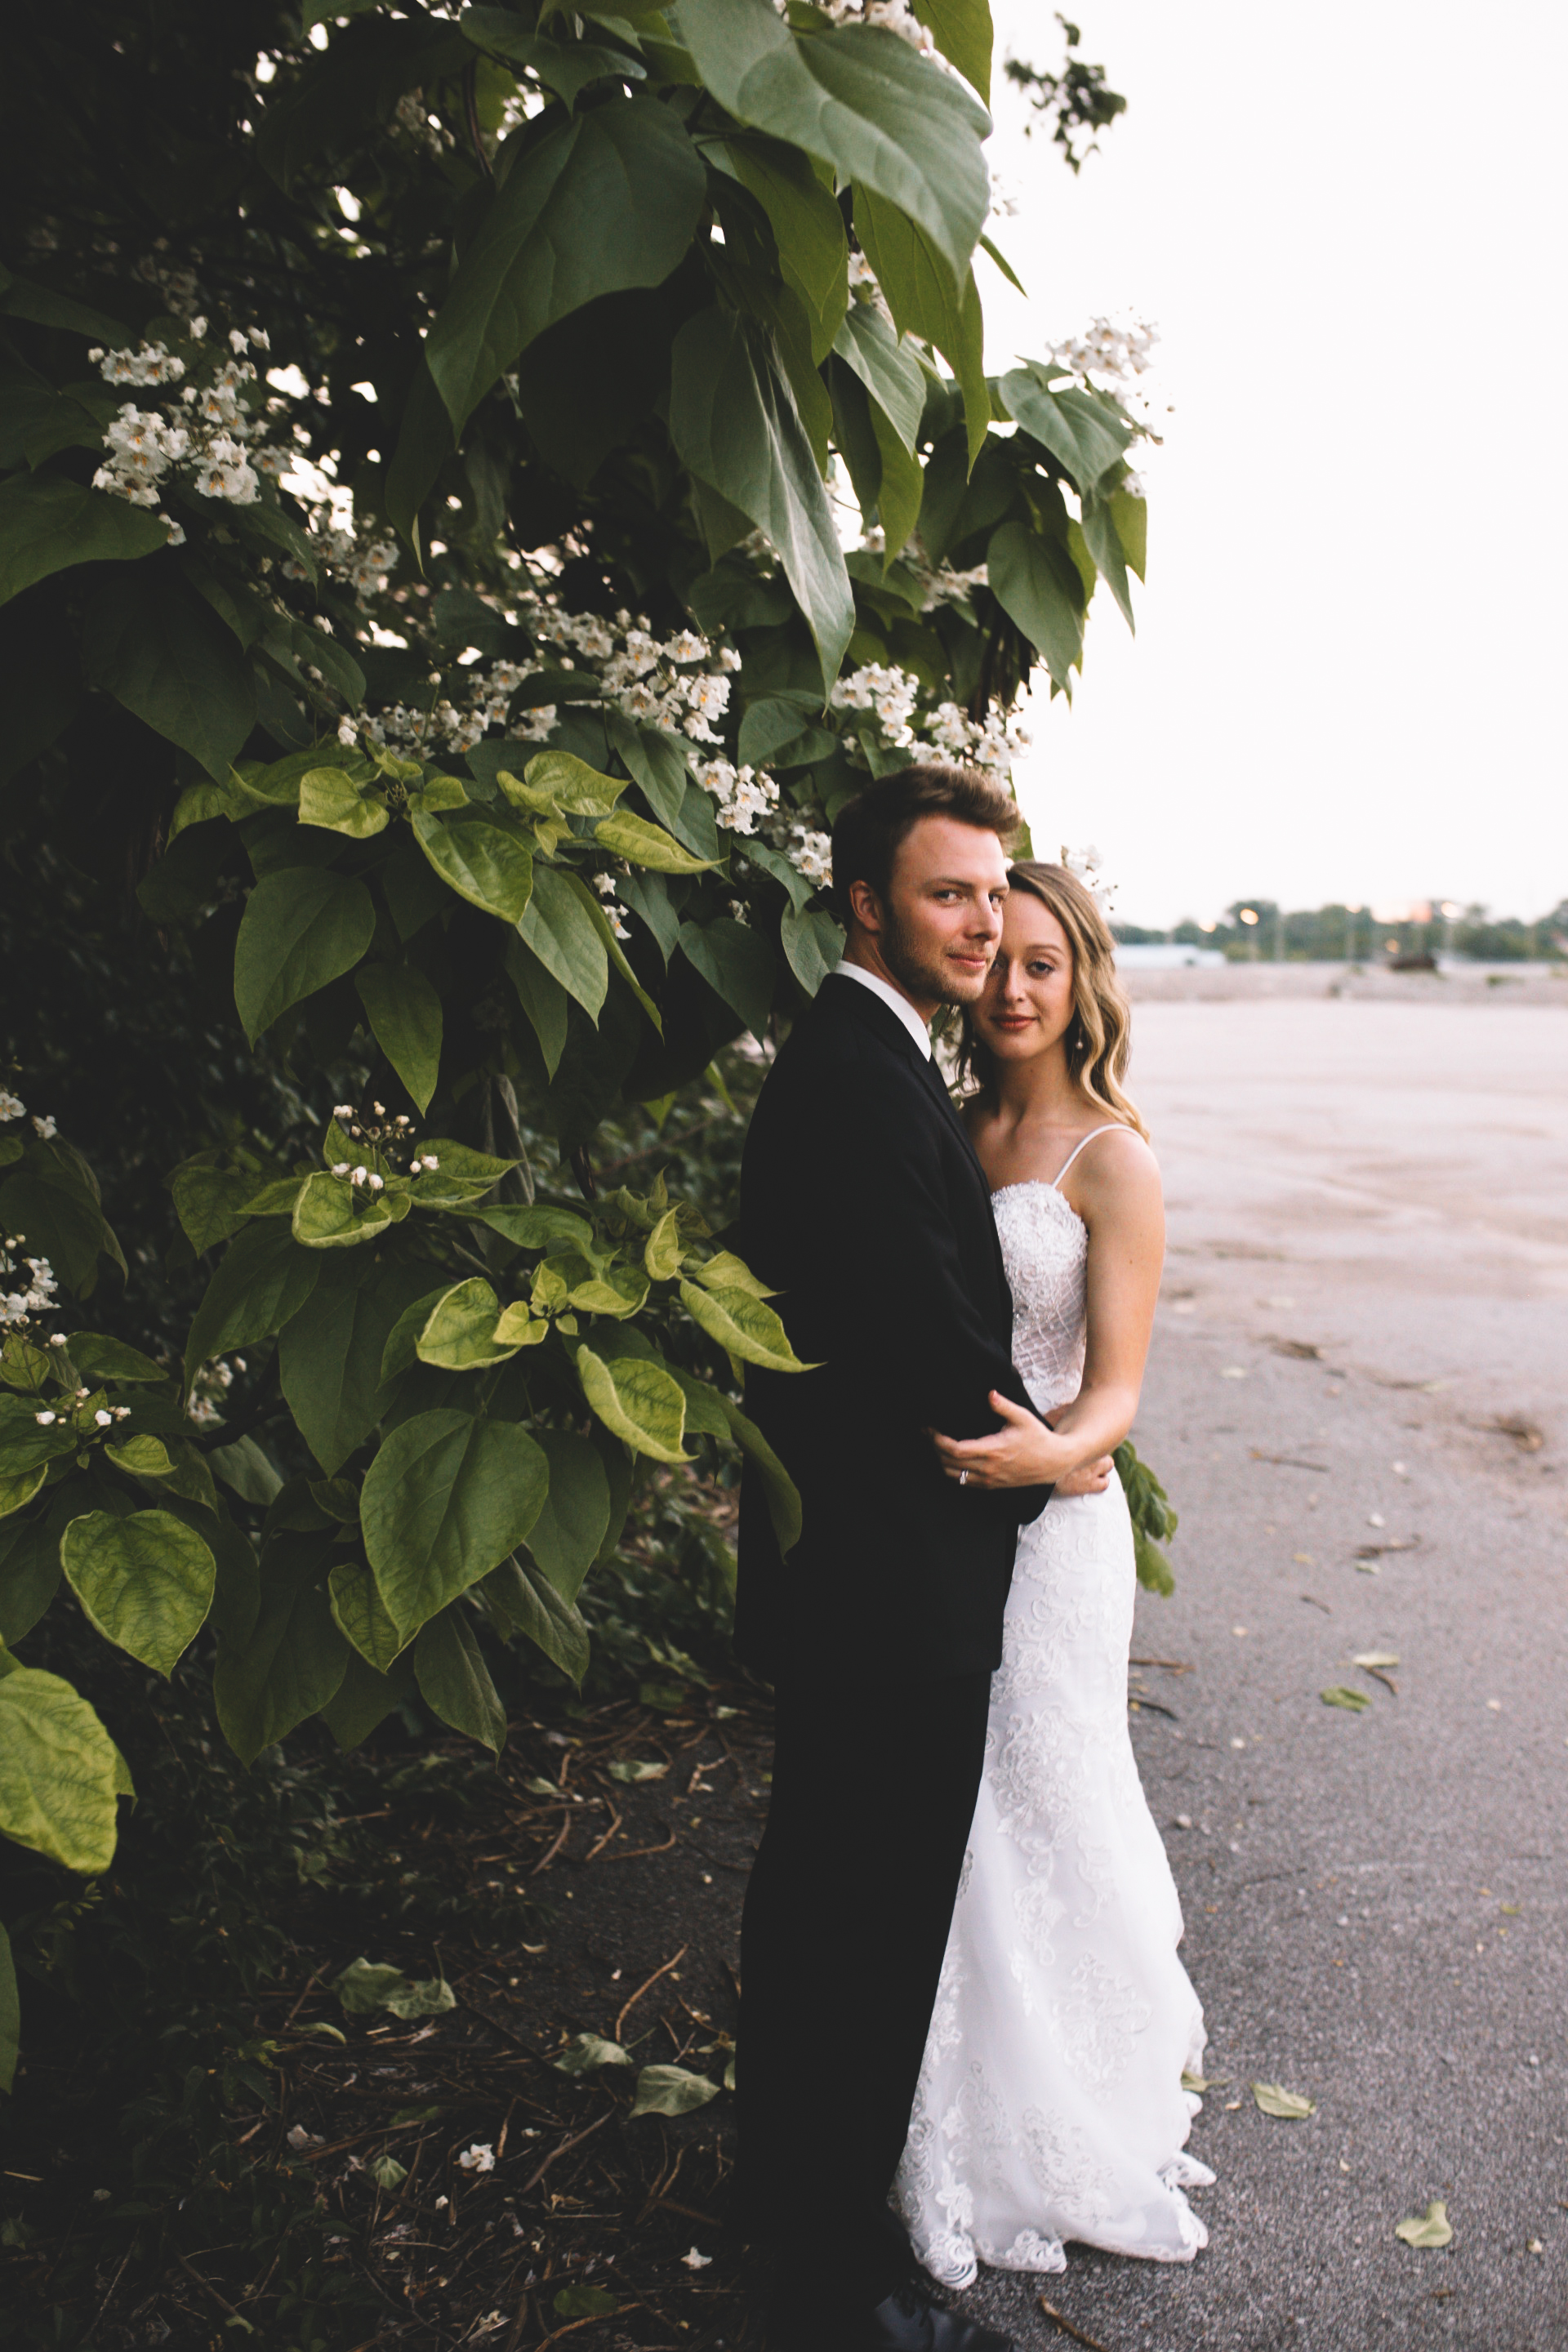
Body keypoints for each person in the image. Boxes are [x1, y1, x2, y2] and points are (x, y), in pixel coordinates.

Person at [732, 768, 1111, 2352]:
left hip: (870, 1590)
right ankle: (829, 2292)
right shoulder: (858, 1081)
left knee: (837, 1920)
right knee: (857, 1934)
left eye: (993, 889)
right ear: (868, 904)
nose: (981, 922)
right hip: (893, 1596)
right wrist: (1045, 1467)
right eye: (949, 894)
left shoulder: (877, 1064)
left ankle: (806, 2224)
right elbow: (940, 1357)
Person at [894, 860, 1213, 2287]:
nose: (1012, 988)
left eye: (1042, 964)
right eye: (996, 959)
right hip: (942, 1521)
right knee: (950, 1806)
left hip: (1058, 1534)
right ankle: (940, 2103)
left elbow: (1117, 1394)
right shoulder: (950, 1134)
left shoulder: (1112, 1159)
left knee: (1049, 1792)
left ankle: (1067, 2114)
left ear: (1082, 979)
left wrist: (1049, 1459)